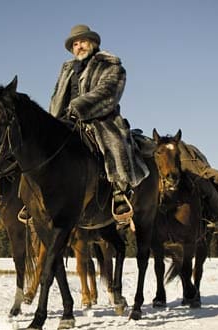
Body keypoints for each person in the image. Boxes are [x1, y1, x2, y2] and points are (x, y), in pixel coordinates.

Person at [47, 24, 149, 225]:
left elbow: (108, 93)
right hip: (66, 120)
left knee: (114, 142)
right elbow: (57, 96)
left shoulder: (111, 65)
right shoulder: (67, 69)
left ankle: (120, 191)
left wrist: (78, 107)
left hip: (100, 118)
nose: (79, 47)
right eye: (75, 44)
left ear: (93, 43)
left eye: (83, 42)